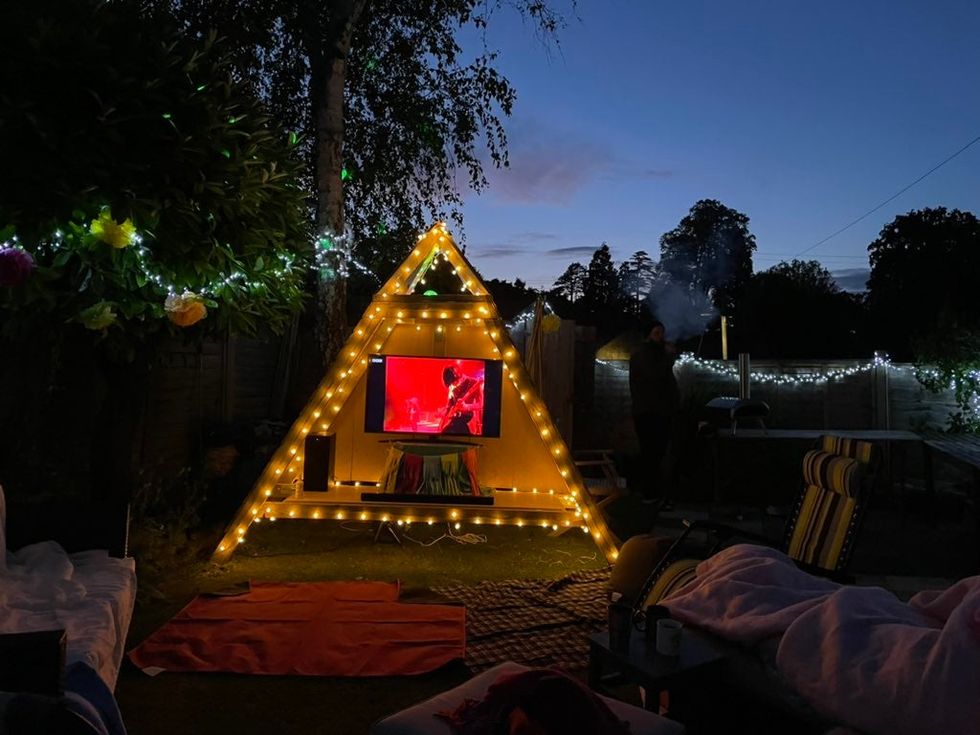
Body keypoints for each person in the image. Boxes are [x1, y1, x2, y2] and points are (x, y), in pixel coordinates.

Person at [629, 318, 679, 505]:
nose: (661, 337)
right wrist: (668, 357)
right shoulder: (644, 354)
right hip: (649, 411)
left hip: (660, 410)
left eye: (662, 333)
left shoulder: (656, 354)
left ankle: (654, 493)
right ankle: (649, 493)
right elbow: (655, 376)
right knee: (651, 452)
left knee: (657, 453)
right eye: (657, 333)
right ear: (648, 335)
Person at [440, 365, 484, 435]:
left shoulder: (474, 382)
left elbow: (481, 404)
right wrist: (442, 421)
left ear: (459, 376)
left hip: (467, 420)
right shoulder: (451, 385)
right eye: (451, 384)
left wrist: (466, 407)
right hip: (453, 419)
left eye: (454, 383)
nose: (453, 385)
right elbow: (449, 405)